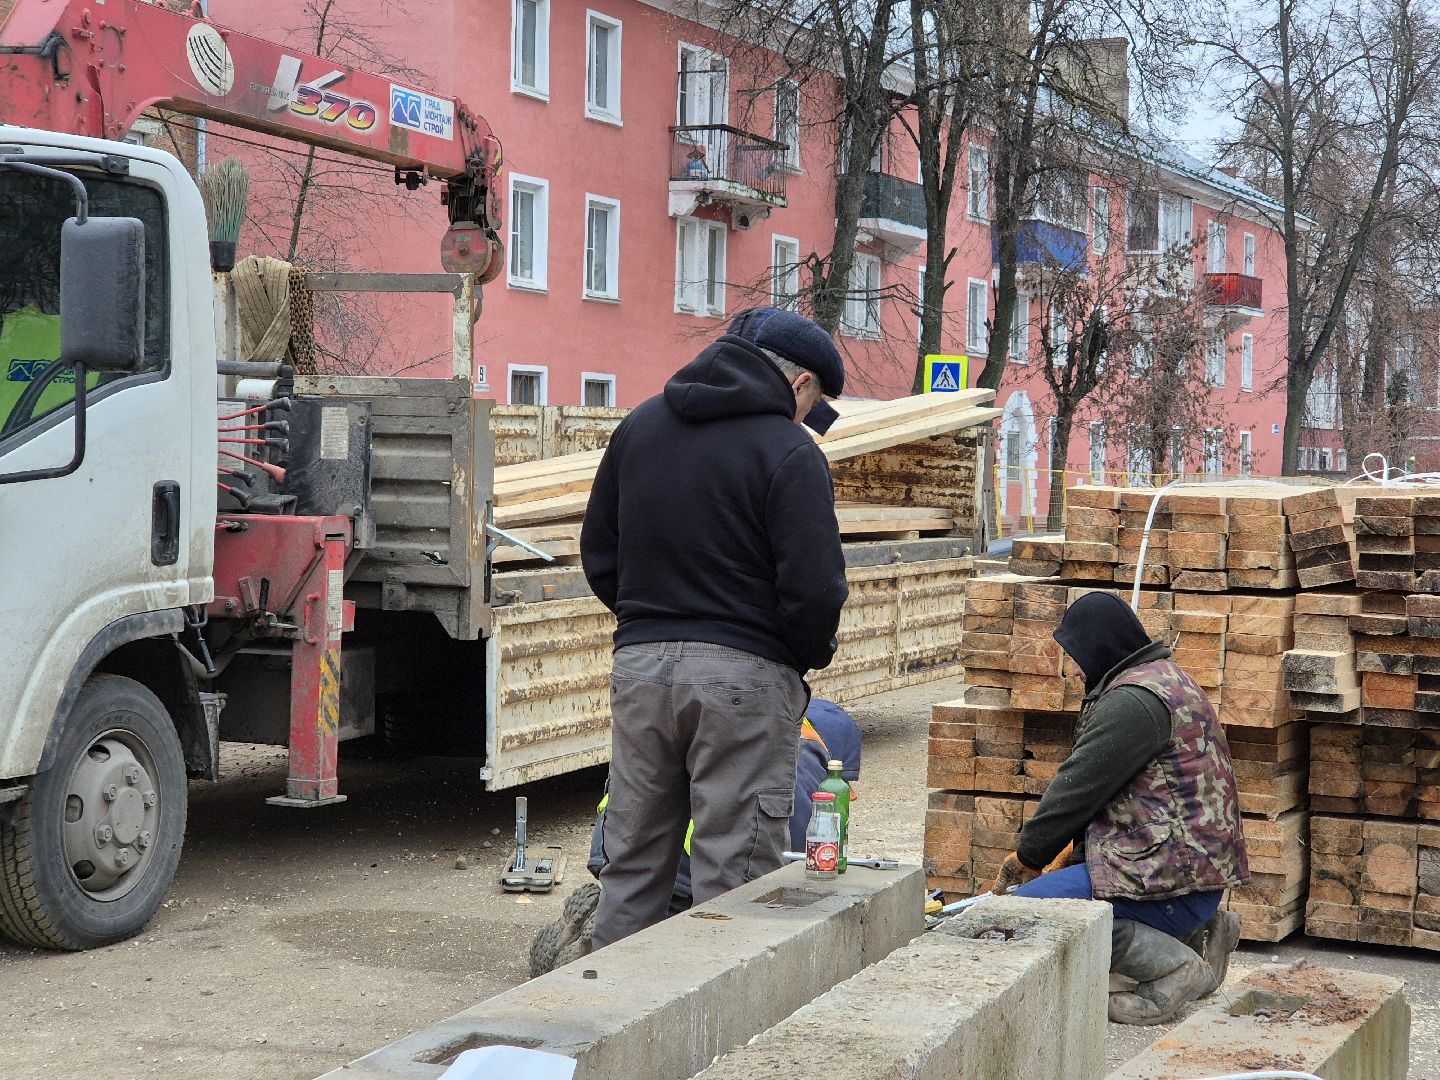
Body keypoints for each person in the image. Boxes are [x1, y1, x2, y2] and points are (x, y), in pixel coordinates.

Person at [579, 307, 848, 951]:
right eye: (816, 401)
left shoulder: (638, 428)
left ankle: (606, 1026)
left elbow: (599, 552)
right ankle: (722, 1047)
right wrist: (796, 655)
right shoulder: (790, 452)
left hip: (640, 669)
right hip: (744, 678)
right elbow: (815, 591)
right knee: (735, 874)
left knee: (632, 866)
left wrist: (650, 626)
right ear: (801, 382)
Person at [990, 592, 1250, 1026]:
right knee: (1057, 900)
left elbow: (1075, 792)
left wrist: (1029, 857)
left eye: (1075, 655)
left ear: (1099, 647)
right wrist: (1068, 861)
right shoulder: (1164, 678)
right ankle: (1197, 937)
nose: (1073, 669)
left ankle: (1175, 967)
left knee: (1028, 916)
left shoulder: (1132, 702)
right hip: (1190, 878)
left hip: (1173, 888)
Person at [529, 700, 862, 976]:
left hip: (617, 848)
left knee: (634, 901)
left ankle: (606, 928)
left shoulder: (710, 717)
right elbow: (793, 847)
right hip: (694, 875)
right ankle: (659, 938)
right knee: (710, 932)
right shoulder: (799, 757)